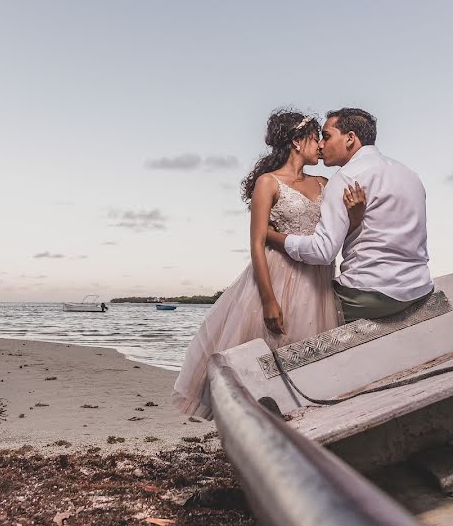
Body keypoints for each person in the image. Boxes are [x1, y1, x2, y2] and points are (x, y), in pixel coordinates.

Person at [171, 110, 365, 419]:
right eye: (315, 137)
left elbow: (338, 235)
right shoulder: (268, 183)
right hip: (278, 278)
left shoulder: (325, 183)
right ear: (296, 143)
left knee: (313, 362)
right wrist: (268, 300)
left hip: (317, 283)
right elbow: (257, 244)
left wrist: (355, 215)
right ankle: (266, 424)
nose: (320, 145)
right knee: (272, 359)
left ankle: (309, 426)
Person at [267, 108, 433, 323]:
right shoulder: (410, 174)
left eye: (326, 136)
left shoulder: (345, 178)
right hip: (418, 287)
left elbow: (322, 252)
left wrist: (271, 236)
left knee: (290, 314)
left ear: (350, 138)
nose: (321, 145)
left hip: (367, 294)